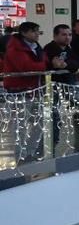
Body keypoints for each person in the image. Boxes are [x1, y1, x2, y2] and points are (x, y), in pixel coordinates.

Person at [2, 21, 51, 162]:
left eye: (38, 31)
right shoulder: (15, 48)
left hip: (36, 91)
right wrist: (45, 65)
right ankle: (19, 155)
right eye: (34, 31)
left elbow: (40, 62)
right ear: (24, 33)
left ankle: (30, 152)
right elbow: (26, 67)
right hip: (19, 92)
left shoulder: (36, 47)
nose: (37, 34)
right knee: (20, 125)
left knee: (39, 123)